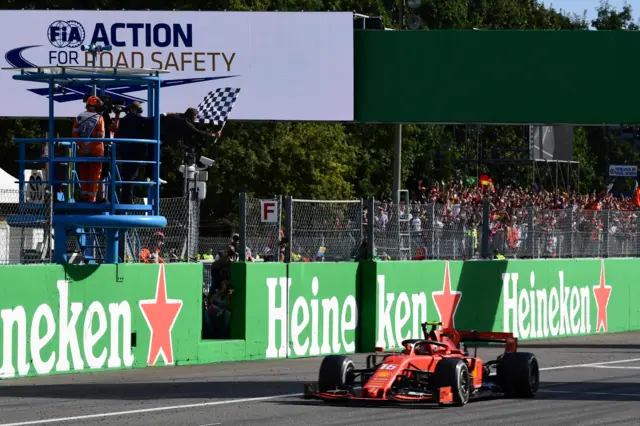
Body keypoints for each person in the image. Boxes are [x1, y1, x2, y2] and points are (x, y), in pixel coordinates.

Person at [72, 96, 106, 202]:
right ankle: (92, 199)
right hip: (96, 151)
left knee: (83, 175)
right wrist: (90, 147)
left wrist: (83, 146)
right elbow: (101, 136)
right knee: (94, 176)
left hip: (82, 151)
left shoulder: (79, 117)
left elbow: (74, 135)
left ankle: (84, 198)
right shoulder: (99, 118)